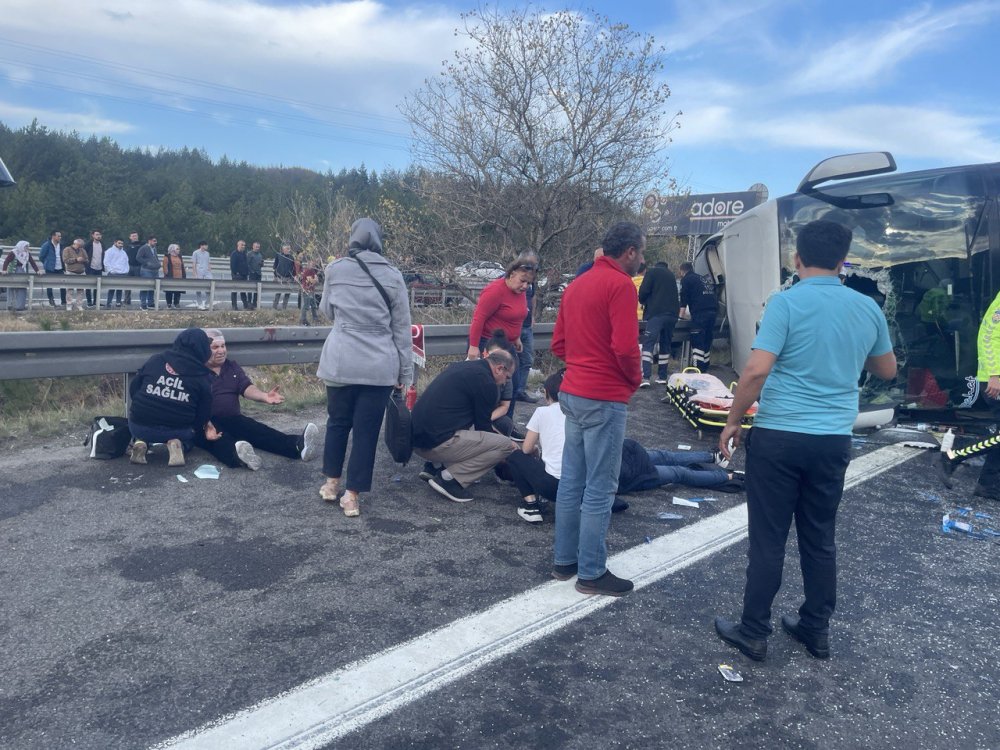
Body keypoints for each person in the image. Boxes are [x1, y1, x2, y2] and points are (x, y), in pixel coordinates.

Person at [714, 220, 896, 662]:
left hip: (780, 435)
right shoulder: (866, 307)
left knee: (769, 538)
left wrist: (733, 420)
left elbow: (756, 370)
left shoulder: (786, 303)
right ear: (843, 261)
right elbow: (887, 369)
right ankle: (815, 629)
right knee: (820, 536)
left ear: (797, 258)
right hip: (832, 439)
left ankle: (754, 630)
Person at [508, 372, 740, 524]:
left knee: (674, 473)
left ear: (547, 394)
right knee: (662, 456)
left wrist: (539, 453)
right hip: (614, 459)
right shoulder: (585, 409)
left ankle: (727, 476)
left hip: (602, 476)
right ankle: (712, 456)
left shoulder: (542, 412)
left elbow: (526, 449)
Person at [550, 221, 644, 597]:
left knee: (572, 481)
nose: (642, 260)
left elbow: (558, 343)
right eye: (641, 252)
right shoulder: (620, 285)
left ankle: (564, 561)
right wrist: (632, 380)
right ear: (630, 251)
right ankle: (591, 572)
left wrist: (581, 362)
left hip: (573, 391)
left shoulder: (577, 284)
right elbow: (625, 347)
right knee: (601, 487)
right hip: (603, 395)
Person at [316, 218, 413, 517]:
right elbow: (402, 329)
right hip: (379, 365)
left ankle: (331, 483)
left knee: (337, 423)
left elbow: (326, 310)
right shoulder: (393, 276)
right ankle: (352, 496)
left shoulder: (335, 269)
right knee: (366, 432)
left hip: (340, 361)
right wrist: (405, 373)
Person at [193, 329, 320, 470]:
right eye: (215, 347)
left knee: (257, 430)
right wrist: (206, 425)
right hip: (205, 423)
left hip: (232, 418)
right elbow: (191, 405)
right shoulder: (194, 372)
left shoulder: (231, 367)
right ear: (203, 349)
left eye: (223, 346)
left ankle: (298, 446)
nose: (221, 351)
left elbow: (246, 387)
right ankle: (239, 457)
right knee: (220, 441)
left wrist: (264, 396)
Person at [412, 349, 518, 503]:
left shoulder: (463, 366)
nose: (505, 382)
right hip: (435, 444)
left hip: (416, 439)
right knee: (505, 446)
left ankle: (436, 466)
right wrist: (509, 451)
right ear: (499, 368)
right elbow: (484, 429)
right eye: (507, 377)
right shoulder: (486, 383)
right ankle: (450, 478)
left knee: (473, 432)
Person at [939, 288, 1000, 499]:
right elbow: (988, 336)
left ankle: (988, 485)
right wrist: (994, 374)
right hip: (995, 379)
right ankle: (951, 457)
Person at [127, 327, 219, 467]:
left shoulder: (156, 360)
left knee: (141, 425)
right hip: (179, 430)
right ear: (203, 350)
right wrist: (195, 427)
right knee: (191, 437)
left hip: (139, 425)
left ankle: (140, 441)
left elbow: (134, 387)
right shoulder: (203, 376)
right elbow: (204, 412)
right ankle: (178, 445)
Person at [467, 256, 534, 403]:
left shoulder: (520, 292)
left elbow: (517, 315)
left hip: (508, 344)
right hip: (488, 343)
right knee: (490, 387)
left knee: (512, 385)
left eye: (528, 283)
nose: (525, 286)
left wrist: (516, 337)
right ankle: (487, 416)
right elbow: (478, 319)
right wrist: (473, 346)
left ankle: (507, 417)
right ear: (511, 275)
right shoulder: (495, 291)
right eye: (522, 281)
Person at [638, 260, 680, 387]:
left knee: (648, 343)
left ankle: (646, 377)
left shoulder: (652, 273)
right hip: (672, 315)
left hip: (656, 314)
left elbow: (643, 292)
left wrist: (643, 301)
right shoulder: (671, 275)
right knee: (665, 344)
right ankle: (662, 376)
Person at [513, 251, 540, 404]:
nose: (532, 268)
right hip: (513, 326)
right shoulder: (512, 278)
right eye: (530, 264)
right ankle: (508, 391)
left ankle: (520, 391)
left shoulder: (531, 281)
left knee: (526, 360)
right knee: (510, 360)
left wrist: (533, 315)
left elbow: (533, 297)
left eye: (534, 265)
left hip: (527, 326)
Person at [679, 261, 717, 371]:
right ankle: (705, 368)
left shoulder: (686, 279)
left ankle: (698, 369)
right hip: (712, 312)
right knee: (706, 340)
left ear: (682, 271)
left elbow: (684, 299)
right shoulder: (702, 278)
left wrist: (680, 317)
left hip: (700, 313)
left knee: (697, 340)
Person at [1, 241, 40, 311]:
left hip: (22, 272)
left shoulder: (27, 254)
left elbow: (32, 263)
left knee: (22, 288)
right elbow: (6, 261)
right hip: (13, 271)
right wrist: (4, 270)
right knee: (11, 288)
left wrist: (37, 271)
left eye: (27, 246)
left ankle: (20, 306)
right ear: (21, 246)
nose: (27, 248)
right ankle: (10, 305)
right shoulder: (14, 252)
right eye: (26, 246)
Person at [38, 230, 66, 307]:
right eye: (58, 236)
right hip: (50, 268)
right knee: (49, 285)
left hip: (60, 268)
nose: (60, 237)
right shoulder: (47, 245)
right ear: (53, 236)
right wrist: (47, 263)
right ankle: (51, 300)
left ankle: (64, 301)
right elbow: (41, 257)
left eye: (60, 236)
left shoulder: (61, 245)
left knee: (63, 284)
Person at [61, 238, 89, 312]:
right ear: (75, 244)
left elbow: (87, 260)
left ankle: (79, 305)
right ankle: (69, 305)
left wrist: (83, 260)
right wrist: (76, 260)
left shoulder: (82, 250)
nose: (80, 247)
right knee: (70, 289)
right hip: (71, 272)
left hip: (81, 272)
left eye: (81, 246)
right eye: (79, 246)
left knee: (81, 290)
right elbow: (65, 260)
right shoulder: (67, 249)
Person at [102, 238, 130, 308]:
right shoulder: (109, 251)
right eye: (119, 243)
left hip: (122, 274)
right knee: (111, 289)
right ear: (115, 243)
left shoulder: (123, 252)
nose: (121, 245)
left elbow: (126, 262)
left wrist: (126, 270)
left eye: (122, 243)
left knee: (119, 289)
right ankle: (109, 303)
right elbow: (106, 262)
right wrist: (111, 271)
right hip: (113, 273)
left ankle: (118, 303)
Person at [136, 236, 160, 310]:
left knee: (152, 287)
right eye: (154, 241)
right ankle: (143, 304)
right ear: (149, 241)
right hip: (146, 270)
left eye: (156, 241)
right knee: (145, 287)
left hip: (155, 270)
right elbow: (138, 257)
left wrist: (158, 263)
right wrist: (146, 263)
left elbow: (155, 257)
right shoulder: (144, 248)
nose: (155, 242)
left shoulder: (154, 248)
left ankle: (150, 303)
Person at [83, 229, 104, 309]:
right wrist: (86, 265)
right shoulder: (88, 244)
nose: (98, 236)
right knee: (89, 285)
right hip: (90, 267)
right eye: (97, 234)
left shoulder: (102, 244)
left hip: (99, 268)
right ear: (93, 235)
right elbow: (84, 254)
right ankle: (89, 301)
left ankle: (96, 301)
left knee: (98, 286)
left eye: (100, 234)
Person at [162, 243, 186, 309]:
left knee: (178, 291)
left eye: (179, 249)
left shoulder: (179, 257)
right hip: (170, 277)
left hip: (179, 277)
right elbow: (165, 267)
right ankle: (169, 304)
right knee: (169, 291)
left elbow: (182, 266)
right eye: (177, 249)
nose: (179, 250)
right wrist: (167, 274)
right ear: (172, 250)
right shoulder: (167, 257)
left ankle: (176, 303)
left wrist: (183, 275)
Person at [273, 243, 297, 309]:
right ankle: (274, 307)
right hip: (280, 276)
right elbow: (275, 265)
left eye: (289, 249)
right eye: (287, 249)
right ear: (283, 249)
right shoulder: (279, 255)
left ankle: (284, 307)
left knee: (287, 293)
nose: (288, 250)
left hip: (288, 277)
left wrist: (294, 276)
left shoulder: (292, 257)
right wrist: (275, 275)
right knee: (278, 292)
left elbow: (294, 268)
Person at [191, 241, 212, 310]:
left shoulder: (207, 253)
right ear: (201, 246)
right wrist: (194, 273)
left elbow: (208, 263)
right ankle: (199, 304)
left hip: (206, 272)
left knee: (209, 288)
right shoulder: (195, 252)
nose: (207, 246)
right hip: (199, 271)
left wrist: (210, 271)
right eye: (206, 245)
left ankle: (207, 303)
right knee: (198, 289)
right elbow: (194, 263)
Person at [298, 259, 320, 325]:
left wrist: (315, 279)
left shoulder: (312, 271)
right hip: (307, 290)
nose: (313, 265)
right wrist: (315, 279)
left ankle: (315, 318)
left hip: (311, 290)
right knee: (306, 305)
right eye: (312, 264)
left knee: (313, 305)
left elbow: (316, 280)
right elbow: (312, 281)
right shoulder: (307, 271)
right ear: (308, 264)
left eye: (314, 264)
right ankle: (303, 319)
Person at [125, 231, 143, 306]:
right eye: (133, 236)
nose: (134, 237)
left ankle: (143, 301)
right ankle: (127, 300)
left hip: (139, 267)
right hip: (129, 267)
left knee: (142, 284)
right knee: (127, 284)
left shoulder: (142, 245)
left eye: (135, 236)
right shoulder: (127, 245)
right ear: (130, 237)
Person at [230, 240, 249, 310]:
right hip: (237, 275)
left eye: (244, 245)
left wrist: (247, 273)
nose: (243, 246)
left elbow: (246, 264)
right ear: (238, 245)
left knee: (243, 291)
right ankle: (234, 306)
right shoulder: (234, 254)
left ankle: (245, 305)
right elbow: (232, 265)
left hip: (244, 275)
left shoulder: (244, 254)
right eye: (242, 245)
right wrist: (236, 273)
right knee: (234, 291)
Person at [247, 241, 264, 310]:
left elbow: (262, 264)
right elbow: (247, 264)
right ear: (253, 246)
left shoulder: (260, 255)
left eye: (258, 247)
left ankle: (255, 303)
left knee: (257, 289)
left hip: (258, 274)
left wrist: (262, 264)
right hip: (252, 274)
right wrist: (251, 271)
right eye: (256, 247)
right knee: (250, 289)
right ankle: (249, 303)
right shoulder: (249, 254)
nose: (257, 248)